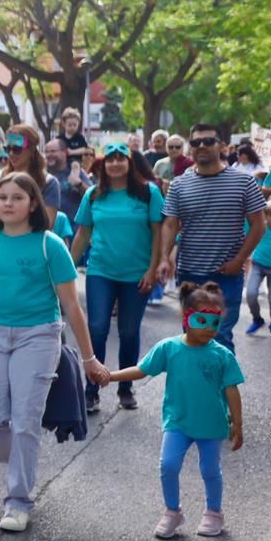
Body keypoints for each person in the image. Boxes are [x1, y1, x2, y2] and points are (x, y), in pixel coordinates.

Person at [0, 173, 110, 533]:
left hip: (39, 336)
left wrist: (89, 358)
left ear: (32, 204)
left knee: (26, 419)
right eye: (2, 197)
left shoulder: (50, 244)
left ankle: (18, 500)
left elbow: (72, 306)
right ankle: (22, 460)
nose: (8, 203)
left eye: (17, 197)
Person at [108, 282, 245, 540]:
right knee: (168, 465)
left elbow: (232, 391)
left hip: (211, 425)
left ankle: (214, 512)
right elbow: (142, 369)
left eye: (214, 323)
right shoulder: (169, 348)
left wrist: (238, 424)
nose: (208, 329)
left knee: (210, 470)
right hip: (178, 422)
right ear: (186, 317)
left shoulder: (222, 355)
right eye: (201, 320)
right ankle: (172, 511)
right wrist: (111, 376)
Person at [70, 142, 164, 413]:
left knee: (129, 331)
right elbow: (83, 235)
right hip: (100, 271)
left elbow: (158, 232)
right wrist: (65, 268)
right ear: (103, 164)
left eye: (120, 159)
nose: (114, 164)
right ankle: (92, 388)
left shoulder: (148, 193)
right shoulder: (93, 194)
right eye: (109, 159)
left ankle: (125, 387)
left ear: (129, 162)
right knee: (97, 328)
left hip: (137, 274)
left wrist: (152, 268)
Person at [157, 124, 266, 351]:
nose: (201, 146)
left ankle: (224, 387)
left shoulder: (244, 182)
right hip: (189, 274)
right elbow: (170, 223)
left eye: (208, 141)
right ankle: (197, 386)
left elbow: (259, 226)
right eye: (196, 143)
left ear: (222, 146)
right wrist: (165, 258)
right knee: (192, 336)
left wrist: (240, 261)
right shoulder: (179, 184)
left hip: (226, 274)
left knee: (220, 337)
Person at [0, 124, 60, 224]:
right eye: (8, 149)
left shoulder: (49, 182)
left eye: (16, 149)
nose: (11, 154)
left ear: (31, 150)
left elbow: (47, 223)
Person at [244, 200, 271, 337]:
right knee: (251, 294)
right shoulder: (260, 227)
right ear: (265, 216)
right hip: (258, 265)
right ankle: (257, 319)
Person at [43, 138, 92, 221]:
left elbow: (93, 197)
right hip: (49, 229)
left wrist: (78, 183)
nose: (48, 155)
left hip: (73, 230)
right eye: (46, 152)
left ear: (64, 152)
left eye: (53, 151)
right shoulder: (43, 174)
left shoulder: (76, 172)